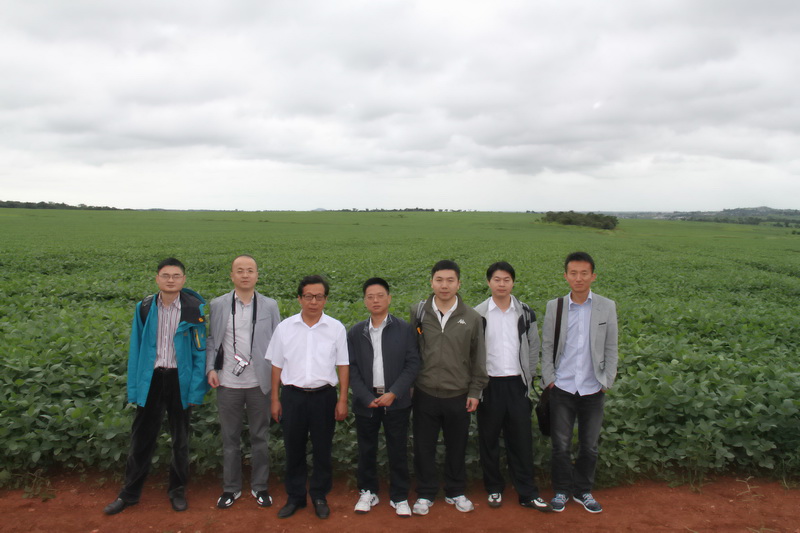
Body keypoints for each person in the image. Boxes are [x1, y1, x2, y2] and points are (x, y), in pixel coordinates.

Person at [103, 258, 208, 515]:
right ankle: (129, 493)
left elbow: (200, 352)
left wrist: (196, 389)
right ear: (157, 278)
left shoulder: (194, 309)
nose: (171, 280)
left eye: (176, 275)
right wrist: (135, 388)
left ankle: (177, 491)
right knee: (141, 438)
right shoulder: (144, 308)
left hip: (179, 379)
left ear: (184, 279)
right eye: (166, 275)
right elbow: (136, 348)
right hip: (151, 379)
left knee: (180, 439)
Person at [267, 275, 349, 520]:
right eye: (309, 296)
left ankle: (320, 496)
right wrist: (275, 399)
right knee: (294, 448)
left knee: (323, 449)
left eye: (319, 297)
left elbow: (343, 365)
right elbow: (276, 366)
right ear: (299, 298)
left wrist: (342, 399)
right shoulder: (285, 328)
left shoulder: (336, 328)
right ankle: (295, 497)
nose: (314, 301)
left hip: (324, 397)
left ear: (325, 299)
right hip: (293, 396)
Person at [541, 252, 618, 514]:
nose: (579, 278)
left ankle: (583, 491)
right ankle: (561, 491)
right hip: (562, 387)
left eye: (584, 273)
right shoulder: (555, 306)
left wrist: (607, 380)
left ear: (593, 276)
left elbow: (611, 346)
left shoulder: (607, 306)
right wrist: (550, 379)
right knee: (561, 446)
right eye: (573, 273)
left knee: (590, 446)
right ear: (566, 276)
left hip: (593, 387)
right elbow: (547, 345)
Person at [410, 260, 488, 515]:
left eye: (450, 280)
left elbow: (478, 357)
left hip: (458, 393)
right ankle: (425, 493)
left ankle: (456, 491)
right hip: (424, 392)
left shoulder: (472, 317)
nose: (444, 285)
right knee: (424, 446)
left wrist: (475, 391)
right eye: (439, 280)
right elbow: (412, 352)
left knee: (457, 445)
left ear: (458, 284)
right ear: (431, 282)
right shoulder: (419, 312)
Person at [474, 262, 552, 512]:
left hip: (517, 384)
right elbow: (472, 351)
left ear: (513, 282)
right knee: (489, 440)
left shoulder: (525, 312)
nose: (502, 284)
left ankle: (527, 492)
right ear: (489, 282)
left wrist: (528, 377)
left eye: (506, 280)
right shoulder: (478, 314)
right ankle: (494, 489)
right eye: (497, 279)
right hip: (489, 385)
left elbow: (533, 345)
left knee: (521, 441)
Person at [205, 255, 281, 509]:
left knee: (260, 436)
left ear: (257, 275)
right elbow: (212, 340)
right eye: (240, 270)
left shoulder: (270, 305)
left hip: (260, 382)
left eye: (250, 270)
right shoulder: (218, 304)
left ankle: (260, 486)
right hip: (227, 382)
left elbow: (278, 342)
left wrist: (277, 376)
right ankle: (231, 488)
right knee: (230, 438)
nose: (245, 275)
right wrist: (211, 369)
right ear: (232, 275)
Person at [348, 277, 420, 518]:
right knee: (366, 449)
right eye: (370, 297)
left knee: (398, 449)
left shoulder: (404, 329)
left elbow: (412, 364)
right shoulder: (356, 332)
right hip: (366, 401)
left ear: (389, 298)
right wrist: (364, 395)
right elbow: (351, 367)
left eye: (380, 296)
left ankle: (399, 496)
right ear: (364, 301)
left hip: (396, 400)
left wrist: (394, 392)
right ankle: (368, 491)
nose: (375, 301)